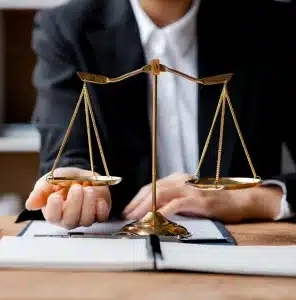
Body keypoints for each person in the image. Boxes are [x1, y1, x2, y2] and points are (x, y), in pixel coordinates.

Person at [19, 0, 295, 229]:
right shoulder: (67, 28)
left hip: (243, 252)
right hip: (115, 252)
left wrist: (251, 201)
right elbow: (67, 145)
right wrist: (74, 181)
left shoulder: (275, 26)